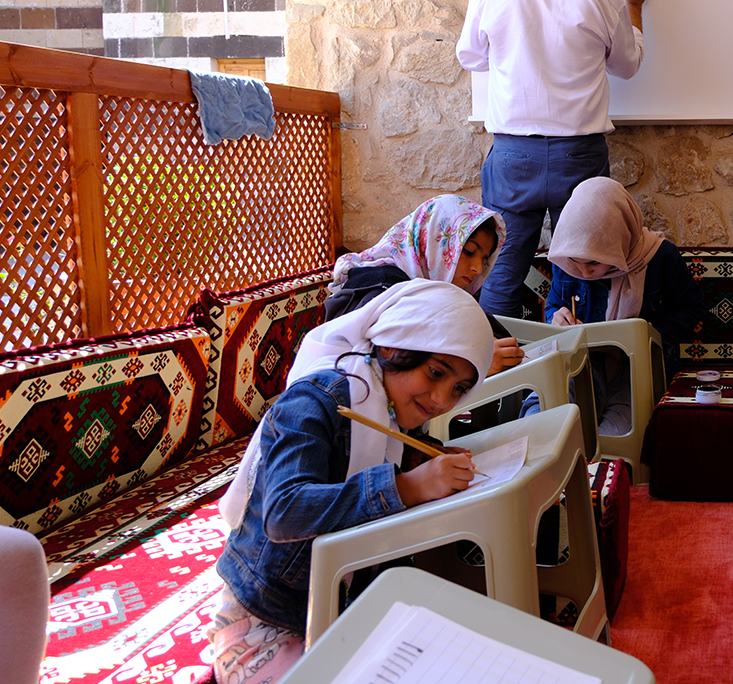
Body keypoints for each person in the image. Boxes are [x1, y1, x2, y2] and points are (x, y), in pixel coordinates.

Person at [211, 280, 496, 684]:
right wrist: (405, 487)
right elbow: (283, 512)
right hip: (267, 616)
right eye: (435, 373)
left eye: (458, 390)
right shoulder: (317, 400)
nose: (440, 399)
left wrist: (422, 454)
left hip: (346, 606)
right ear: (397, 344)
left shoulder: (388, 405)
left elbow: (378, 450)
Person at [457, 0, 652, 320]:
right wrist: (635, 5)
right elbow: (627, 66)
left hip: (512, 157)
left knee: (500, 273)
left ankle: (499, 383)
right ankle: (575, 381)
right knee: (585, 271)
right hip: (578, 158)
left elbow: (471, 57)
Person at [527, 177, 703, 435]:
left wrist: (648, 332)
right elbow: (554, 305)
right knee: (541, 414)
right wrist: (556, 317)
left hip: (639, 366)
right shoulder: (566, 260)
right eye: (577, 262)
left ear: (618, 241)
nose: (584, 273)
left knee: (618, 433)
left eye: (594, 263)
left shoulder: (661, 258)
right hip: (580, 363)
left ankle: (605, 471)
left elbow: (693, 309)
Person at [325, 195, 523, 375]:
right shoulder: (381, 288)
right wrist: (475, 365)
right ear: (435, 241)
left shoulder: (429, 290)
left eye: (485, 260)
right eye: (469, 251)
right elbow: (382, 370)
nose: (478, 269)